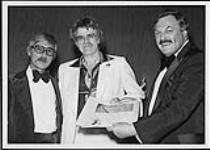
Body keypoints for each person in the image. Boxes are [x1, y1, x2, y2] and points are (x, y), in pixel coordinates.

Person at [108, 9, 204, 144]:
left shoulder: (198, 60)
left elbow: (179, 108)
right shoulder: (169, 65)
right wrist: (127, 103)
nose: (162, 37)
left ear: (184, 32)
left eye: (169, 30)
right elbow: (159, 107)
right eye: (157, 33)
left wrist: (133, 129)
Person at [58, 17, 145, 144]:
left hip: (107, 137)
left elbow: (138, 96)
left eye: (90, 36)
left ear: (98, 39)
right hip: (73, 138)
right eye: (80, 38)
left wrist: (121, 102)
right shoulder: (64, 69)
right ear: (75, 43)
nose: (85, 41)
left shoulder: (118, 64)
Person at [8, 33, 63, 143]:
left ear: (53, 57)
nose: (44, 55)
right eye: (39, 48)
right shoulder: (10, 83)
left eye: (50, 51)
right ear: (29, 51)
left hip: (54, 142)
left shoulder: (59, 83)